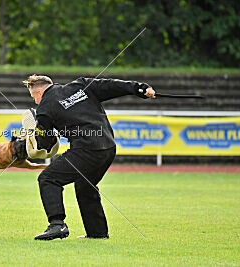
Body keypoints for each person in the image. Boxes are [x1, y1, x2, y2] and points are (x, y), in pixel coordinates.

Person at [23, 74, 155, 241]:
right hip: (108, 147)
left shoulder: (44, 108)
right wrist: (140, 88)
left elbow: (47, 144)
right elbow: (111, 85)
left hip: (87, 150)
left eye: (33, 97)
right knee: (85, 185)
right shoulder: (80, 85)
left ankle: (57, 224)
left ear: (39, 92)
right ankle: (97, 233)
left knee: (48, 179)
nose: (35, 102)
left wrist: (35, 134)